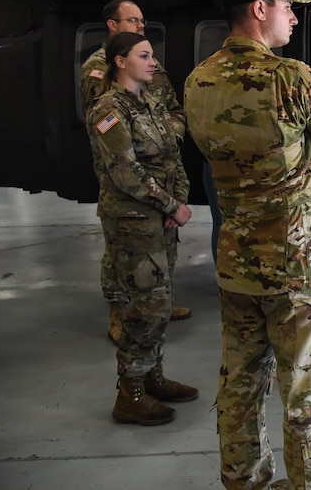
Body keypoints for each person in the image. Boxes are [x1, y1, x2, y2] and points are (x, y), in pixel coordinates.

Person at [184, 0, 311, 489]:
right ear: (260, 9)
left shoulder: (198, 80)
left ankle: (245, 481)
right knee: (306, 395)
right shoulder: (293, 79)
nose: (295, 18)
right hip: (298, 267)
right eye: (287, 6)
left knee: (239, 386)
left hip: (236, 263)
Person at [86, 31, 198, 426]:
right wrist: (169, 205)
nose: (153, 63)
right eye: (145, 56)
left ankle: (152, 376)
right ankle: (130, 393)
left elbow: (172, 156)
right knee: (144, 305)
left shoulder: (149, 103)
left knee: (160, 301)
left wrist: (178, 201)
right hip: (132, 221)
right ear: (120, 61)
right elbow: (123, 171)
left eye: (152, 56)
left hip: (160, 217)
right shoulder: (108, 110)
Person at [79, 0, 191, 339]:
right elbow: (114, 142)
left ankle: (159, 302)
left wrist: (175, 196)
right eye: (133, 20)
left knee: (161, 257)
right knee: (125, 260)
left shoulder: (146, 71)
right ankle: (122, 313)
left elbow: (173, 111)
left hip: (160, 183)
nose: (141, 26)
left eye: (143, 21)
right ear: (113, 25)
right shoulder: (100, 76)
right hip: (132, 191)